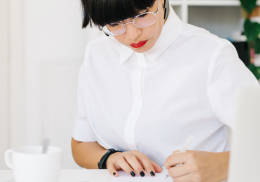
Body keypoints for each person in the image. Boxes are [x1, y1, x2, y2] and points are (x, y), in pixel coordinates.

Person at [71, 0, 260, 181]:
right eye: (114, 24)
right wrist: (109, 158)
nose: (132, 35)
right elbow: (81, 144)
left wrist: (223, 165)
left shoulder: (211, 55)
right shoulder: (97, 54)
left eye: (142, 15)